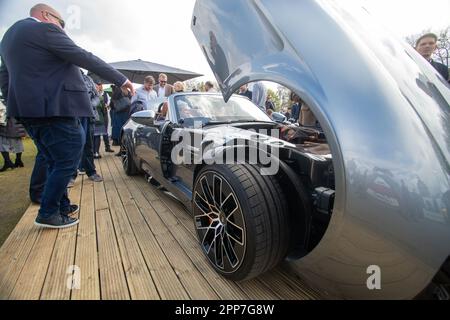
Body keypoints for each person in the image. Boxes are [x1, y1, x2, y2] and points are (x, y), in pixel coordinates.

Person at [0, 4, 134, 229]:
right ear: (45, 15)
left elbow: (4, 78)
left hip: (28, 111)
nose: (63, 29)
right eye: (61, 24)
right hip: (55, 108)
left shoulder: (8, 39)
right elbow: (84, 56)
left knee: (53, 159)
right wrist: (121, 79)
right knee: (68, 157)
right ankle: (48, 212)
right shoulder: (44, 29)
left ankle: (60, 206)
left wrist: (13, 105)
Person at [95, 81, 114, 153]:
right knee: (96, 134)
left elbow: (109, 104)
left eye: (100, 85)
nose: (100, 86)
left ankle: (107, 147)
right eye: (98, 85)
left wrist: (107, 105)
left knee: (105, 131)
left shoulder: (105, 94)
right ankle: (95, 151)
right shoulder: (94, 94)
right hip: (97, 115)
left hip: (104, 114)